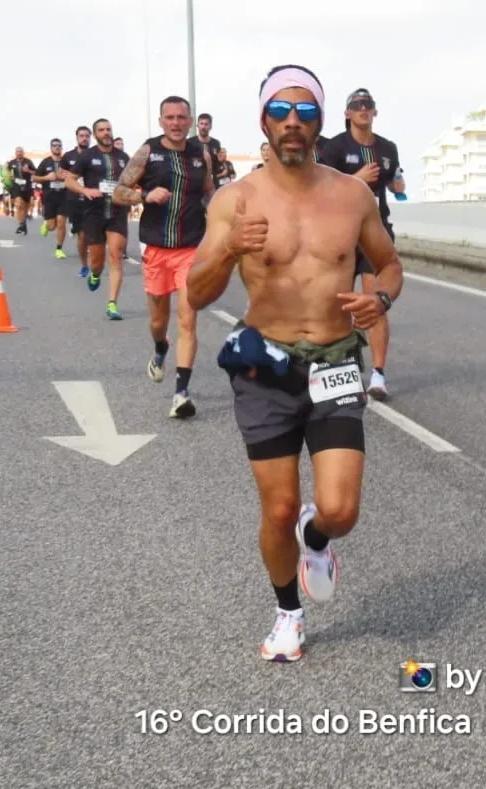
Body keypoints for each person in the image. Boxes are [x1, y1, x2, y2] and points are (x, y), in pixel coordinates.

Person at [187, 64, 403, 663]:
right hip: (268, 367)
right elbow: (197, 293)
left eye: (305, 112)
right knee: (277, 508)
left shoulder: (352, 195)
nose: (292, 122)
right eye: (280, 111)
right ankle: (288, 613)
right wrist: (230, 249)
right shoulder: (236, 200)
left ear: (319, 123)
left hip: (334, 360)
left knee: (341, 511)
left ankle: (317, 536)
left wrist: (380, 299)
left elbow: (389, 264)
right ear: (264, 120)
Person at [112, 95, 214, 418]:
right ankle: (160, 348)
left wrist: (223, 219)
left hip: (191, 248)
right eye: (170, 117)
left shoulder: (201, 155)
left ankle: (181, 393)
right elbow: (118, 191)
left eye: (182, 117)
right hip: (156, 248)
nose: (176, 123)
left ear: (190, 121)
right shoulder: (148, 151)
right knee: (159, 322)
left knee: (188, 319)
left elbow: (209, 193)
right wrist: (144, 195)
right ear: (161, 122)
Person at [320, 87, 405, 400]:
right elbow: (322, 190)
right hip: (340, 232)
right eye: (357, 105)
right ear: (347, 113)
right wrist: (356, 178)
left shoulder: (388, 148)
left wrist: (397, 185)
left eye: (368, 104)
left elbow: (395, 182)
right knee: (338, 301)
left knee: (374, 300)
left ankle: (378, 374)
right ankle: (340, 361)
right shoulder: (334, 147)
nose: (363, 109)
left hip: (375, 231)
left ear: (375, 111)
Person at [64, 119, 131, 319]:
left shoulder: (123, 157)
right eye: (101, 130)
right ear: (95, 135)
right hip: (94, 213)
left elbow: (133, 180)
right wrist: (85, 190)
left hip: (118, 213)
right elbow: (69, 180)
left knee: (116, 256)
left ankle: (112, 304)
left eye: (108, 129)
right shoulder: (87, 156)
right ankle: (95, 274)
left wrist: (132, 192)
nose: (106, 133)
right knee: (97, 262)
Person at [61, 126, 92, 277]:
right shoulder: (68, 156)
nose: (84, 138)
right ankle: (85, 265)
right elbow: (60, 173)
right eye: (81, 136)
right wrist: (66, 175)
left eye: (87, 136)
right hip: (75, 199)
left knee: (97, 234)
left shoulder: (95, 154)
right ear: (77, 138)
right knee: (83, 235)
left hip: (93, 198)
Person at [32, 138, 69, 259]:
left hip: (64, 196)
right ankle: (46, 224)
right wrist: (47, 178)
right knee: (52, 226)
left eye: (59, 145)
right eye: (54, 145)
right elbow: (34, 178)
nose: (57, 147)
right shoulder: (45, 162)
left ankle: (59, 249)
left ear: (61, 147)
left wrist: (67, 177)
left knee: (61, 221)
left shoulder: (66, 162)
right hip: (49, 197)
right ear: (51, 148)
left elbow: (75, 175)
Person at [5, 147, 36, 235]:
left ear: (23, 153)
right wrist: (9, 174)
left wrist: (28, 170)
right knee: (18, 205)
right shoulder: (12, 162)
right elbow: (8, 168)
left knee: (25, 206)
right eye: (17, 152)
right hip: (17, 186)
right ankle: (21, 224)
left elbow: (35, 172)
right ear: (15, 153)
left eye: (20, 152)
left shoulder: (28, 162)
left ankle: (23, 224)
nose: (19, 153)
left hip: (27, 186)